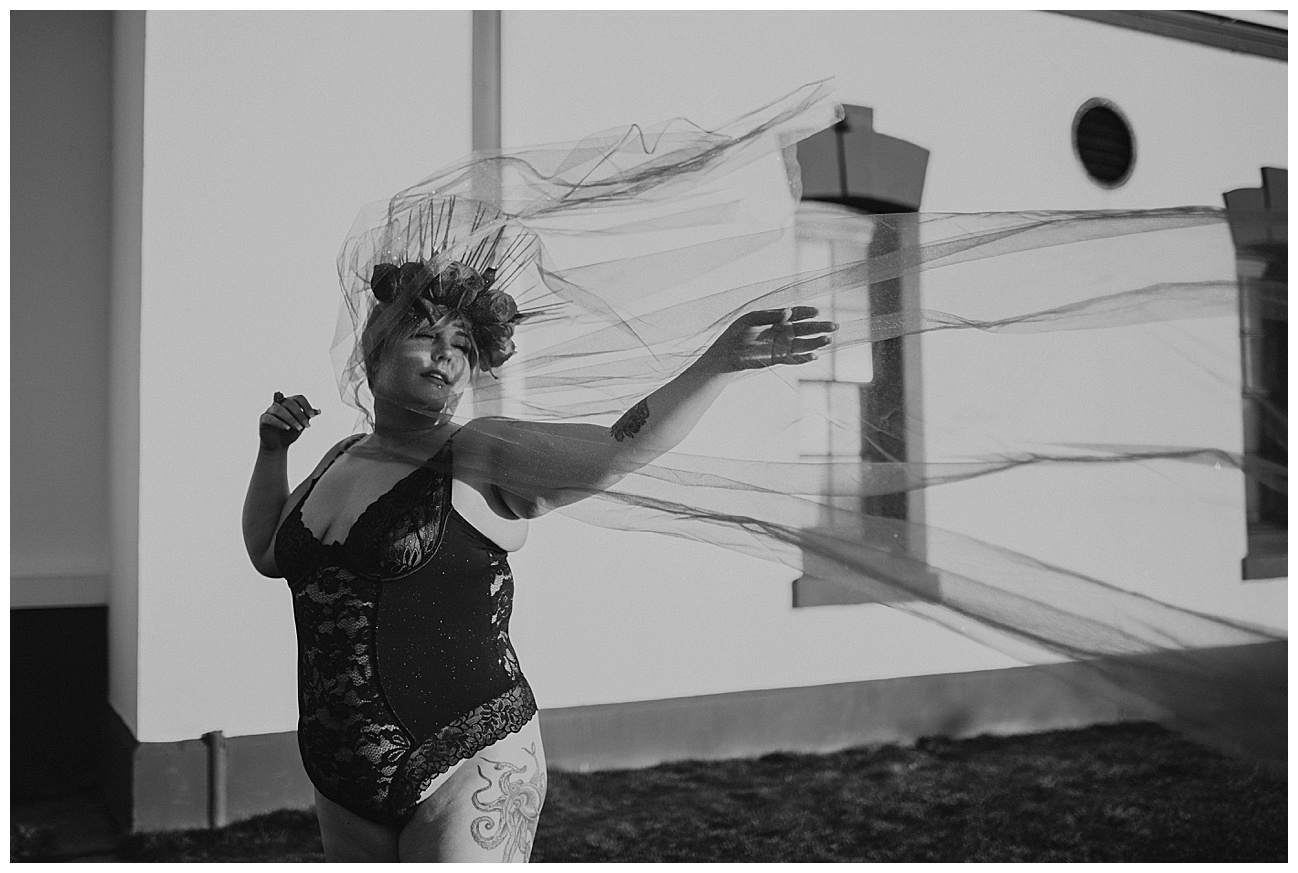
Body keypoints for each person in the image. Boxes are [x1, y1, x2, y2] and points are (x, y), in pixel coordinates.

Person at [241, 249, 836, 861]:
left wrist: (718, 365)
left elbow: (614, 451)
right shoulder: (341, 455)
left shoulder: (481, 451)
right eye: (425, 336)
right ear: (374, 351)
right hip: (339, 776)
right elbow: (268, 551)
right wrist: (272, 452)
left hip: (469, 759)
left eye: (464, 346)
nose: (447, 355)